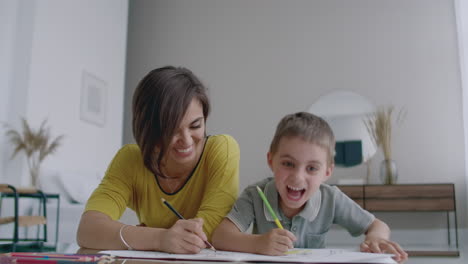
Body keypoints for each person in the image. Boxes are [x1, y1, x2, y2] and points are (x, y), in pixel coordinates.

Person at [77, 66, 239, 254]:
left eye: (195, 125)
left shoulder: (222, 149)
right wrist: (160, 238)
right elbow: (88, 230)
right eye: (171, 130)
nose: (186, 140)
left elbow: (210, 232)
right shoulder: (130, 160)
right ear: (149, 130)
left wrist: (143, 236)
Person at [212, 112, 407, 263]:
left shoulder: (331, 198)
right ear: (271, 160)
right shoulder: (256, 194)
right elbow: (220, 236)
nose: (298, 178)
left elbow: (378, 226)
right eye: (288, 164)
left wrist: (376, 239)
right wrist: (258, 244)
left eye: (312, 168)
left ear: (327, 172)